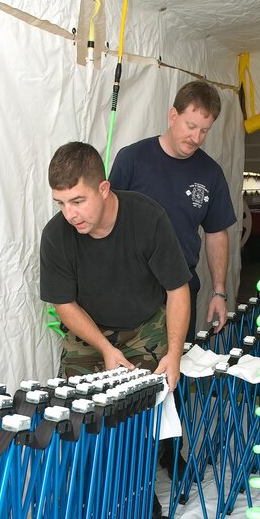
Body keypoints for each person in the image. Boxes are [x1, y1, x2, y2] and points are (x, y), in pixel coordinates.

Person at [40, 141, 191, 393]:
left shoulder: (148, 218)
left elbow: (177, 290)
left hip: (144, 327)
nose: (70, 215)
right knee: (73, 411)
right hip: (88, 331)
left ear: (103, 189)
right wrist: (105, 347)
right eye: (61, 203)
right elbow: (65, 305)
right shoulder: (56, 235)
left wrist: (174, 355)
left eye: (78, 201)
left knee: (144, 411)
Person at [109, 80, 237, 343]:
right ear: (172, 115)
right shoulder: (132, 159)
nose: (196, 138)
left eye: (204, 131)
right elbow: (107, 222)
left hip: (181, 288)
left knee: (175, 373)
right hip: (132, 288)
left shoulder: (211, 173)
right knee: (134, 376)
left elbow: (216, 234)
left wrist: (219, 292)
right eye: (191, 126)